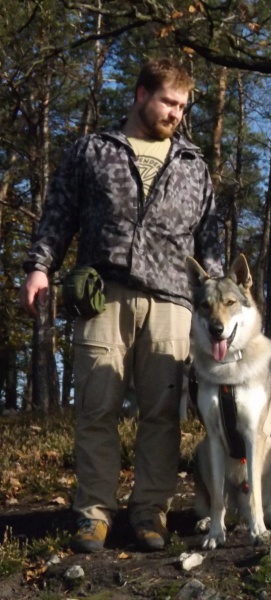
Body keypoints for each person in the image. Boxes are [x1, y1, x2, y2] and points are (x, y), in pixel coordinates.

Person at [19, 58, 223, 553]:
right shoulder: (93, 150)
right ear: (140, 95)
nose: (176, 113)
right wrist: (40, 266)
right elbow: (58, 213)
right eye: (168, 102)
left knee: (162, 412)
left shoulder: (194, 165)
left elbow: (210, 237)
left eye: (182, 106)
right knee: (97, 406)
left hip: (174, 300)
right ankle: (93, 514)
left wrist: (216, 290)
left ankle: (150, 512)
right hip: (102, 293)